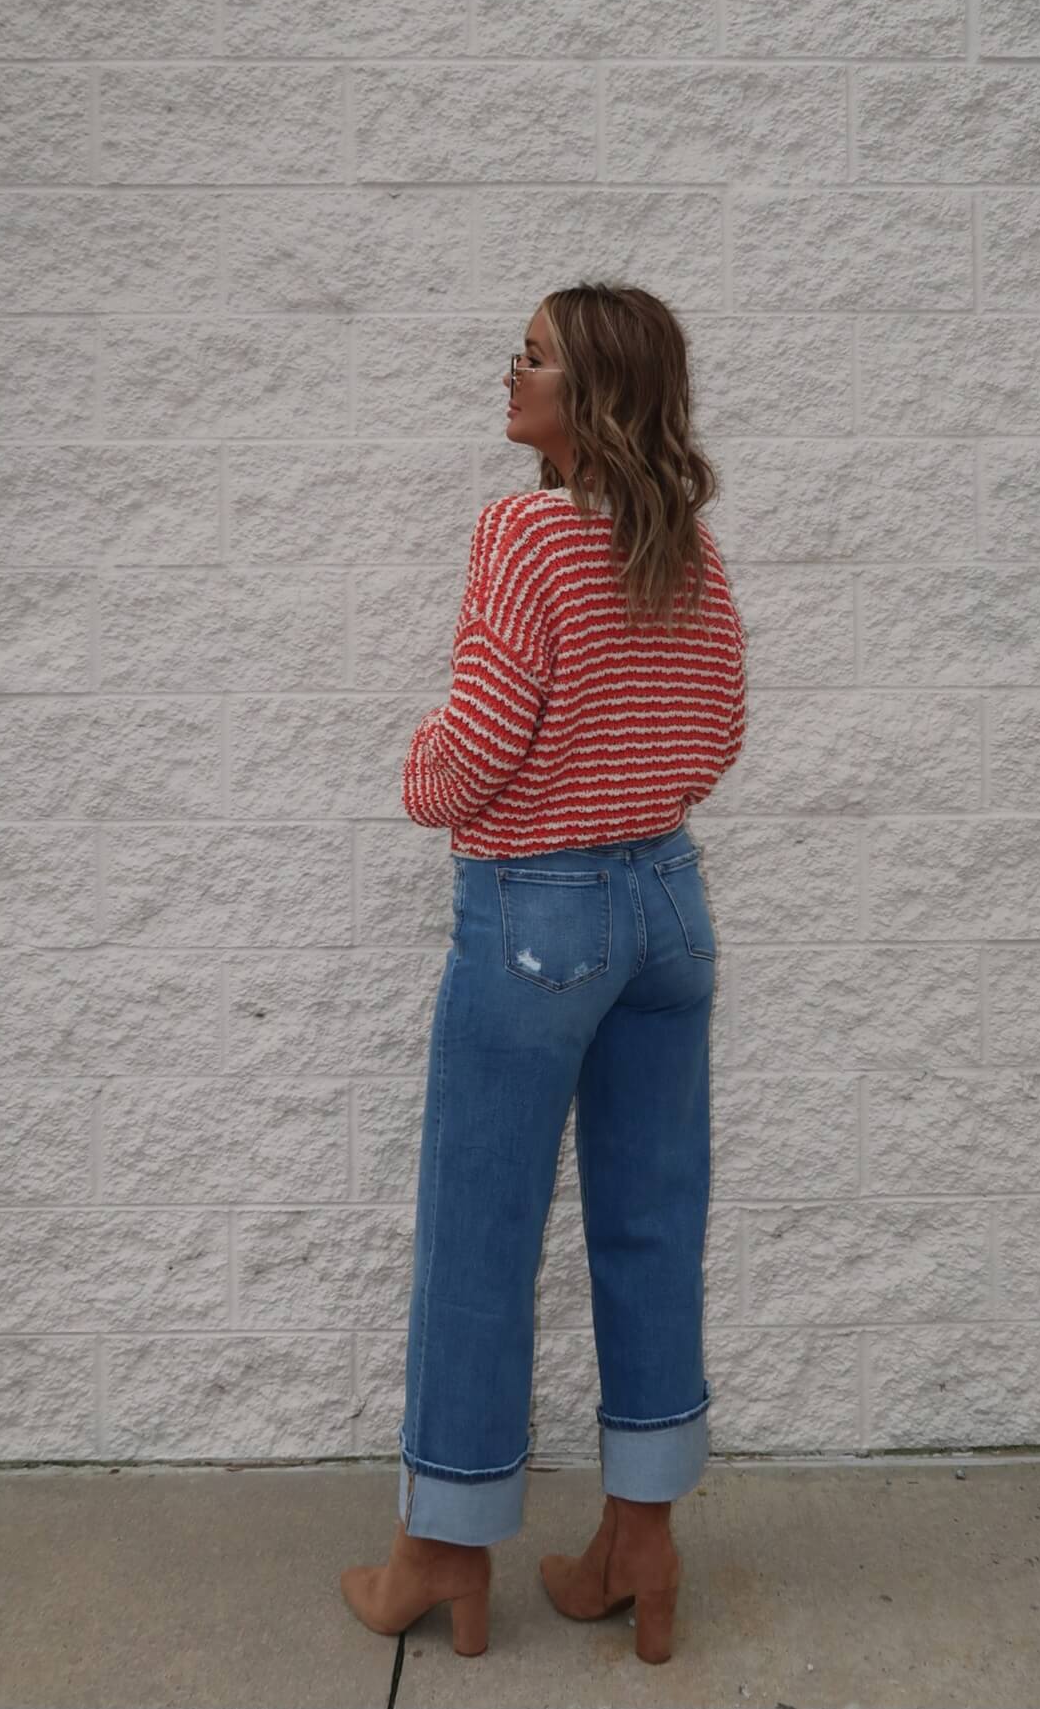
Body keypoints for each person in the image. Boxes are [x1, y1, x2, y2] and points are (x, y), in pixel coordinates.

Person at [340, 282, 748, 1665]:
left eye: (534, 357)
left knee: (479, 1231)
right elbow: (720, 727)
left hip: (537, 914)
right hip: (666, 908)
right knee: (648, 1221)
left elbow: (479, 739)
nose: (507, 371)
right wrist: (634, 790)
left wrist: (420, 775)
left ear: (594, 394)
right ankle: (639, 1538)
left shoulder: (522, 531)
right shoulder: (680, 543)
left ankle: (440, 1547)